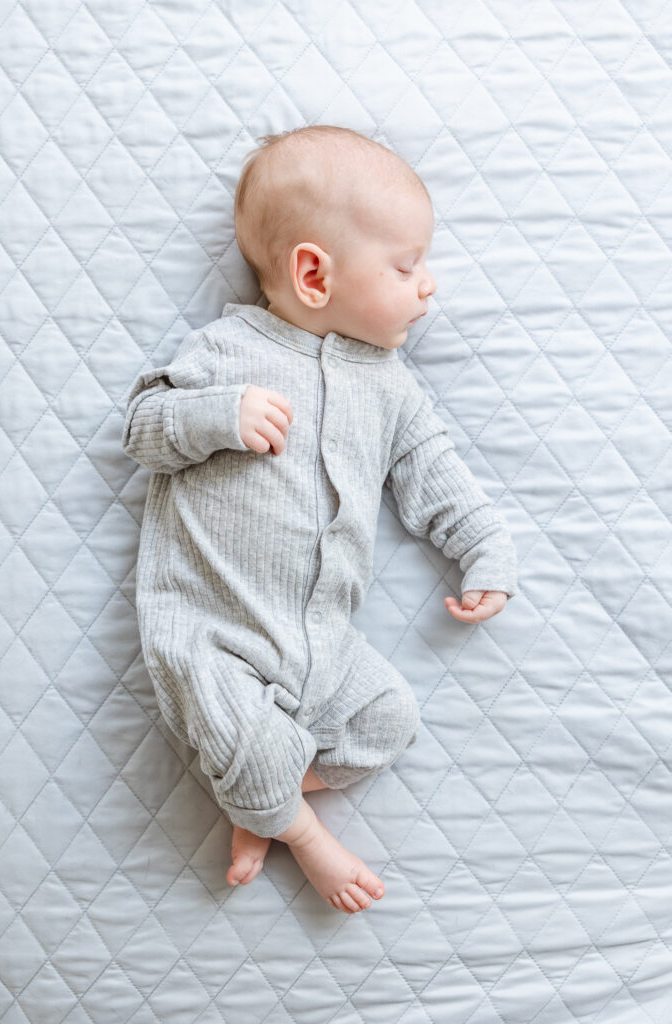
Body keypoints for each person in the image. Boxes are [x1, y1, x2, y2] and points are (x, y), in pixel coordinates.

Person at [122, 125, 517, 915]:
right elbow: (142, 428)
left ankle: (261, 799)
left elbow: (431, 470)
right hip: (214, 632)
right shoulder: (228, 349)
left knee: (387, 720)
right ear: (312, 273)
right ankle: (301, 833)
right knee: (244, 734)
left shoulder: (389, 386)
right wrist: (218, 415)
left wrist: (484, 547)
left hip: (321, 646)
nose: (428, 284)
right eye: (405, 266)